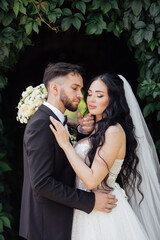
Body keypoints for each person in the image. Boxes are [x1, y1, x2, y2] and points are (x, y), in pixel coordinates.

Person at [50, 72, 160, 240]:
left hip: (104, 211)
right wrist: (80, 131)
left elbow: (92, 180)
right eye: (90, 94)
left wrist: (66, 145)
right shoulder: (97, 128)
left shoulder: (114, 131)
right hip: (84, 207)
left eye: (99, 95)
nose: (91, 100)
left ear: (112, 99)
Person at [19, 63, 118, 240]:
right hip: (47, 226)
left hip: (58, 222)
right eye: (75, 88)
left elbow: (61, 159)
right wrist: (91, 201)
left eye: (81, 89)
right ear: (55, 88)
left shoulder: (57, 121)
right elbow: (42, 183)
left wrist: (80, 133)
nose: (81, 96)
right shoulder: (41, 124)